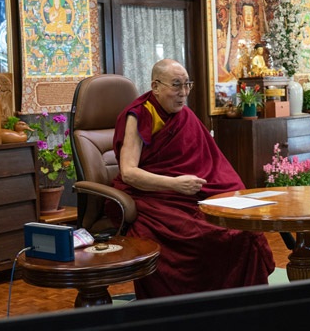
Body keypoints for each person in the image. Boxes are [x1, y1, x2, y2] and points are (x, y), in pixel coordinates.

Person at [107, 59, 275, 299]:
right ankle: (185, 308)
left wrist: (232, 195)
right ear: (155, 86)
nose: (183, 93)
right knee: (199, 235)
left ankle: (237, 306)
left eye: (187, 85)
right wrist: (174, 184)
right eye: (176, 85)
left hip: (190, 194)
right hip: (156, 196)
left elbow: (212, 164)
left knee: (242, 228)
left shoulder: (184, 115)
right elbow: (129, 173)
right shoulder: (139, 115)